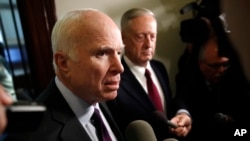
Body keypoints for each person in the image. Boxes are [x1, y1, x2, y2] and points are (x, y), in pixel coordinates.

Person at [4, 8, 125, 141]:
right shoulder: (30, 136)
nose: (119, 68)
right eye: (102, 53)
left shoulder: (105, 97)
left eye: (118, 53)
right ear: (64, 63)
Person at [106, 8, 191, 141]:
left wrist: (181, 114)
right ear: (123, 38)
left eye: (153, 36)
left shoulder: (159, 68)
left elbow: (169, 105)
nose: (148, 44)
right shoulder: (113, 79)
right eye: (140, 37)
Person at [175, 13, 250, 140]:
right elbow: (182, 99)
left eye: (225, 64)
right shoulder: (188, 77)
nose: (221, 70)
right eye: (214, 66)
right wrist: (183, 114)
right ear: (200, 64)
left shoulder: (239, 77)